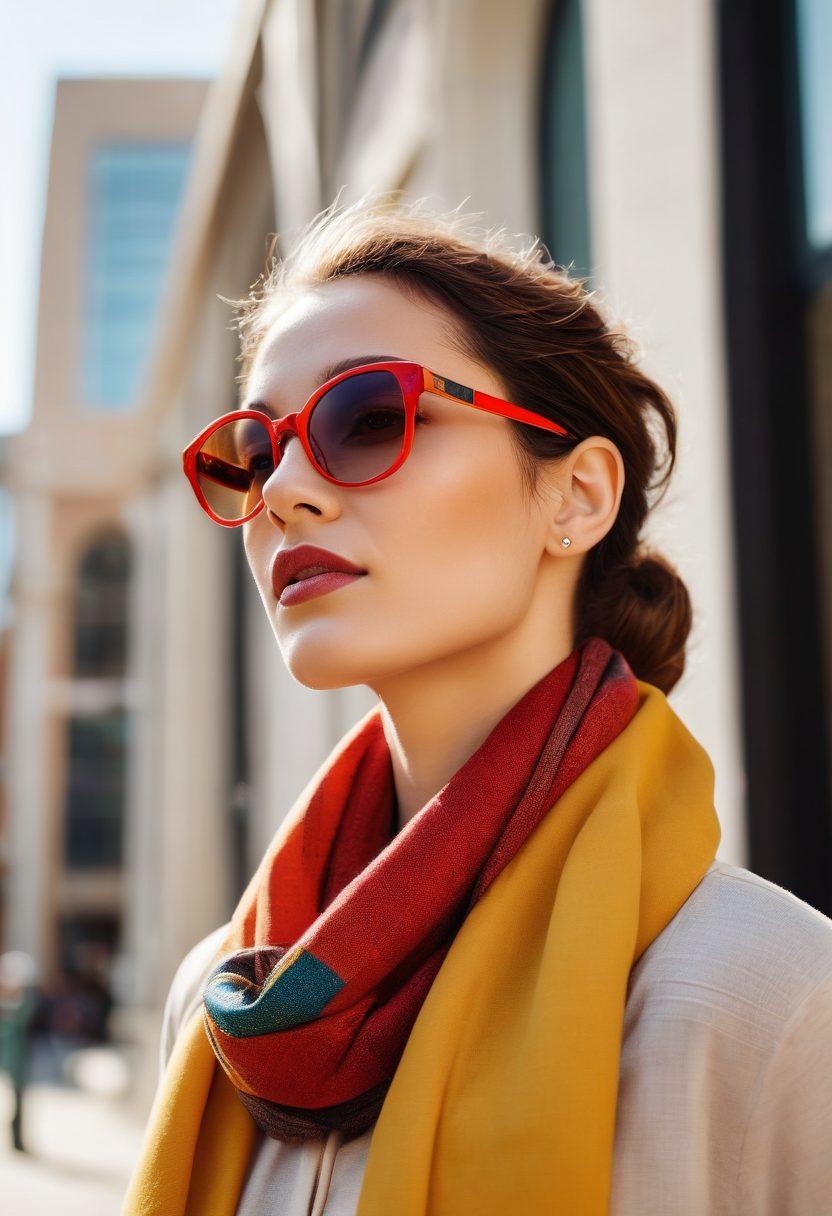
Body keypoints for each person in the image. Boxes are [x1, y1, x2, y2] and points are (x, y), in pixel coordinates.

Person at [122, 192, 832, 1216]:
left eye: (366, 418)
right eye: (255, 450)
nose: (282, 492)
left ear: (577, 496)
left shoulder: (767, 1001)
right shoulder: (224, 1000)